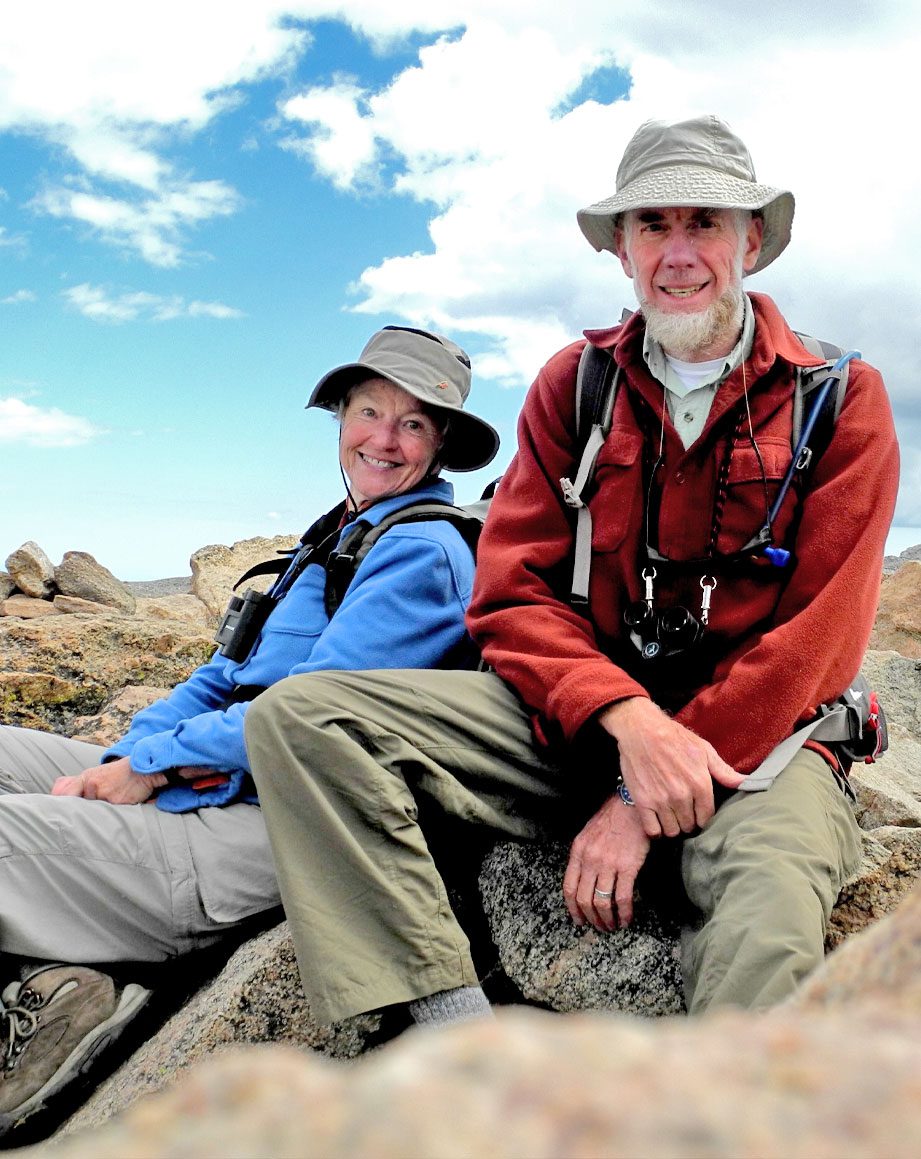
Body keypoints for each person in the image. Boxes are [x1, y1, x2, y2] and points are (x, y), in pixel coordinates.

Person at [244, 115, 898, 1029]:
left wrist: (639, 800)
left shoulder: (839, 396)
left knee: (769, 918)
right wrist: (627, 724)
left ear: (750, 240)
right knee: (305, 719)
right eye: (651, 226)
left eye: (703, 222)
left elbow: (817, 643)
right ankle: (449, 1035)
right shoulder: (573, 384)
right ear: (620, 249)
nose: (677, 253)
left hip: (762, 747)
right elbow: (509, 593)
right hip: (582, 724)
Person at [0, 324, 499, 1135]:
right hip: (220, 778)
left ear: (440, 444)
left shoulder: (422, 554)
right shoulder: (337, 536)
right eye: (368, 410)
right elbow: (224, 676)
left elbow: (306, 717)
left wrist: (153, 771)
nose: (383, 437)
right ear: (339, 418)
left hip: (281, 823)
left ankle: (59, 1000)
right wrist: (134, 749)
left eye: (412, 423)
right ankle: (55, 971)